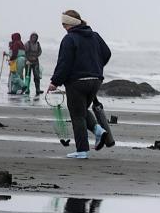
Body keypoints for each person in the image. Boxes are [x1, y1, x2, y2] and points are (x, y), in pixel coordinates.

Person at [47, 10, 112, 159]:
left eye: (64, 24)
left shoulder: (70, 39)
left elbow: (64, 63)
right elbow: (107, 53)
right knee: (82, 110)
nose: (63, 27)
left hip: (77, 82)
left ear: (70, 23)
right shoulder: (95, 36)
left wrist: (55, 82)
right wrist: (96, 67)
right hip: (95, 81)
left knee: (77, 115)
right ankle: (98, 130)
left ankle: (82, 150)